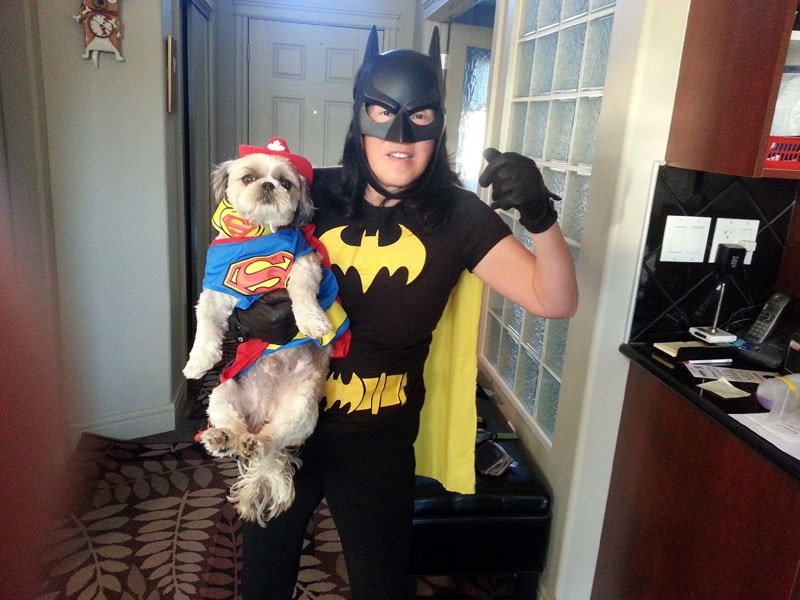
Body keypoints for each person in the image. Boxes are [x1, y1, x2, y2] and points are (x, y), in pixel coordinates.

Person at [239, 26, 578, 600]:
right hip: (278, 424)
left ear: (438, 125)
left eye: (419, 118)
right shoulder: (307, 192)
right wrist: (249, 318)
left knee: (382, 589)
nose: (401, 137)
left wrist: (541, 216)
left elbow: (555, 299)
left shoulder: (460, 217)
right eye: (382, 113)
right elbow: (235, 268)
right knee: (263, 584)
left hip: (376, 437)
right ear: (360, 120)